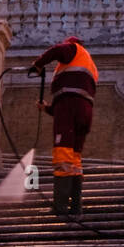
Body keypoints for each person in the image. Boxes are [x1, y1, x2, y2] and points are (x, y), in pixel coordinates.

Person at [30, 36, 98, 218]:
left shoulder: (73, 48)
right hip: (83, 111)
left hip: (69, 107)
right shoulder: (90, 64)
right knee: (75, 160)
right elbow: (74, 95)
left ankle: (60, 208)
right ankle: (76, 208)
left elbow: (56, 51)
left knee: (62, 155)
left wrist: (38, 64)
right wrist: (47, 108)